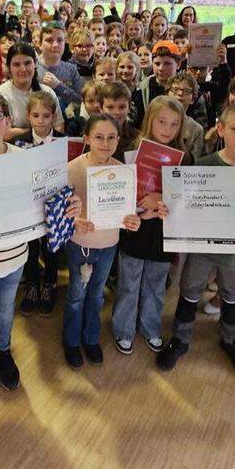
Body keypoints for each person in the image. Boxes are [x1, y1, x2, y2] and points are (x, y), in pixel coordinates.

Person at [0, 91, 77, 400]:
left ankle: (2, 350)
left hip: (16, 257)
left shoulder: (25, 159)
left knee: (6, 310)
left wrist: (69, 203)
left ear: (8, 121)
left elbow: (49, 197)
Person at [158, 102, 235, 375]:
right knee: (190, 289)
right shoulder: (203, 165)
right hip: (202, 247)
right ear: (221, 129)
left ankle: (231, 340)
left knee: (231, 294)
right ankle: (180, 338)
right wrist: (169, 207)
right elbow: (185, 205)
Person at [64, 115, 141, 367]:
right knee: (77, 294)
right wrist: (75, 222)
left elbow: (129, 210)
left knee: (97, 295)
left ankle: (90, 338)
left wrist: (134, 221)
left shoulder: (123, 171)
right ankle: (71, 340)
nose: (105, 143)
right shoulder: (72, 169)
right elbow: (58, 213)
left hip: (109, 245)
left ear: (118, 140)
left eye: (111, 137)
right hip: (80, 244)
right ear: (86, 138)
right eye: (98, 137)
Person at [111, 95, 185, 355]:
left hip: (163, 235)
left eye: (174, 124)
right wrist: (141, 211)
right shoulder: (130, 152)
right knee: (128, 284)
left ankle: (150, 327)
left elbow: (186, 200)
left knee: (155, 285)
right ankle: (123, 329)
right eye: (161, 121)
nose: (167, 129)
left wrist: (162, 200)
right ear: (150, 120)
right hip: (134, 230)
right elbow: (117, 192)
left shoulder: (185, 158)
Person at [12, 91, 65, 317]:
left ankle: (50, 284)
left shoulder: (63, 141)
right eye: (36, 115)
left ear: (53, 116)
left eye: (46, 115)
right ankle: (33, 284)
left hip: (54, 204)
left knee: (52, 247)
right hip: (29, 205)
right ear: (28, 116)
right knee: (31, 247)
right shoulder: (17, 142)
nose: (41, 120)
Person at [0, 42, 63, 141]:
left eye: (27, 63)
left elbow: (58, 125)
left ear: (35, 64)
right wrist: (42, 130)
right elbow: (4, 134)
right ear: (9, 68)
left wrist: (16, 132)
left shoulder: (47, 92)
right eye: (16, 64)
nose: (23, 69)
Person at [36, 25, 84, 112]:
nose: (55, 45)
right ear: (40, 44)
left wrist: (59, 86)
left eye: (60, 40)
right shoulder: (32, 70)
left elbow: (81, 101)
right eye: (49, 40)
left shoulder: (71, 70)